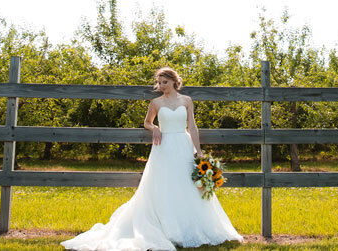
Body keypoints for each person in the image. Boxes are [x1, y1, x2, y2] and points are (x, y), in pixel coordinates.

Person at [61, 67, 243, 250]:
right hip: (163, 147)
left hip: (183, 145)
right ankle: (166, 227)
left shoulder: (187, 101)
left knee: (187, 185)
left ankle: (188, 226)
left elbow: (193, 127)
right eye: (159, 82)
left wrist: (199, 150)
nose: (162, 86)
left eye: (165, 82)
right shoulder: (156, 103)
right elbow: (146, 122)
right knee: (163, 185)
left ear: (174, 81)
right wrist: (154, 128)